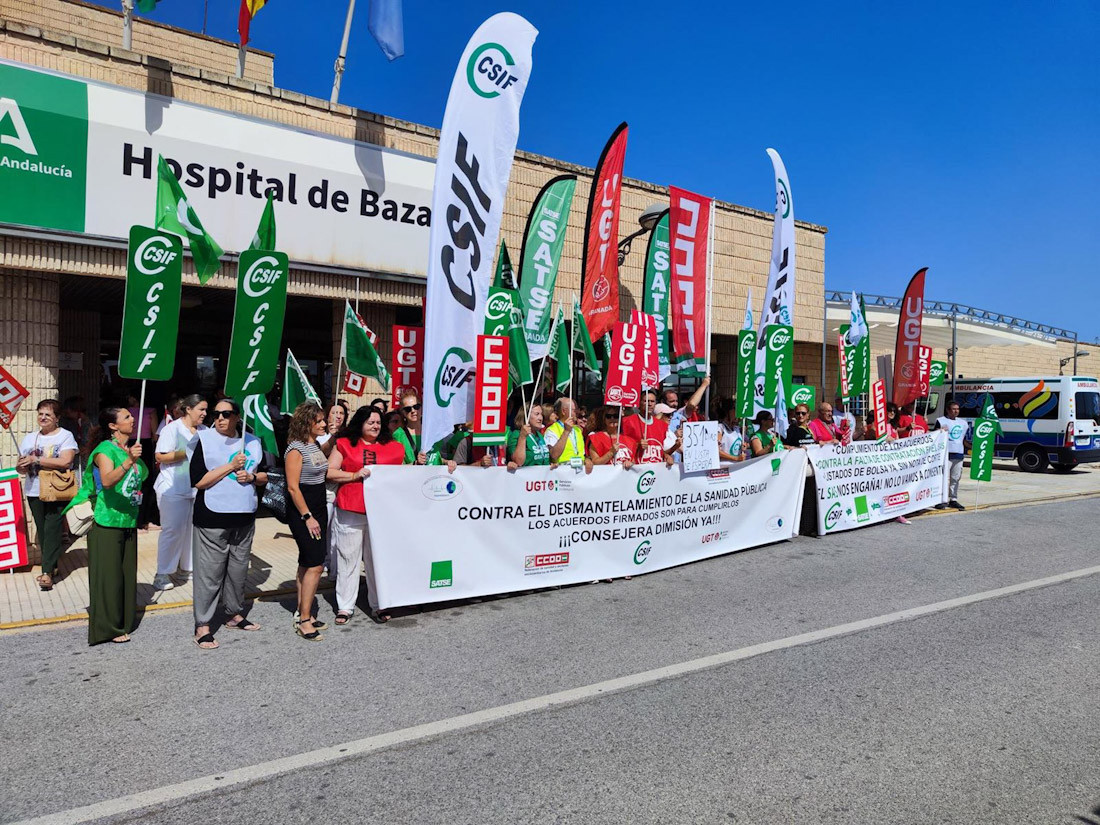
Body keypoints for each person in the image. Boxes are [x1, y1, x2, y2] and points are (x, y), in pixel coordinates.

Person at [188, 398, 268, 650]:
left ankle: (234, 613)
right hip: (212, 517)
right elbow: (198, 481)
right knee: (209, 574)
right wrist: (230, 466)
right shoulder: (205, 439)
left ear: (237, 417)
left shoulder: (253, 441)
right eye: (216, 413)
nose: (220, 418)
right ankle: (203, 624)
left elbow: (267, 474)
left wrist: (252, 476)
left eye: (226, 413)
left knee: (237, 571)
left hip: (244, 516)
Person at [64, 407, 147, 645]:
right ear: (113, 426)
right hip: (105, 519)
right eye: (127, 417)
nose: (133, 419)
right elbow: (108, 481)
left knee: (124, 573)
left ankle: (123, 619)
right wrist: (130, 461)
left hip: (127, 518)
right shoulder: (104, 450)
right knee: (108, 576)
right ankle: (107, 628)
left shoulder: (129, 449)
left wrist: (134, 459)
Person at [328, 405, 405, 623]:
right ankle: (345, 606)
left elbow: (404, 474)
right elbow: (329, 471)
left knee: (377, 560)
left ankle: (379, 604)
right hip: (350, 510)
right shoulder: (344, 444)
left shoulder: (395, 447)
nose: (375, 426)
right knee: (347, 559)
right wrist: (353, 475)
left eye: (378, 422)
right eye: (370, 422)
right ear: (360, 423)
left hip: (382, 513)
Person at [16, 399, 78, 591]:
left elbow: (66, 461)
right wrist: (22, 466)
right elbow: (21, 469)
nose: (43, 418)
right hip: (34, 490)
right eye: (40, 413)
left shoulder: (65, 436)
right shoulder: (29, 438)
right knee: (43, 531)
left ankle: (46, 572)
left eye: (48, 415)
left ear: (57, 418)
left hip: (57, 489)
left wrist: (37, 458)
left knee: (52, 528)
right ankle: (53, 566)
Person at [285, 403, 334, 640]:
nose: (324, 424)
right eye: (320, 421)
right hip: (304, 512)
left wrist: (335, 438)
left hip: (318, 508)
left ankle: (303, 612)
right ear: (307, 422)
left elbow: (321, 459)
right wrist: (307, 517)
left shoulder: (313, 445)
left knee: (307, 562)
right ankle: (305, 620)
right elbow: (293, 488)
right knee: (315, 563)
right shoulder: (294, 449)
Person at [152, 394, 207, 591]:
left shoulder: (205, 430)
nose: (205, 413)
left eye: (205, 409)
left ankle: (186, 568)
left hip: (196, 489)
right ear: (189, 409)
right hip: (172, 489)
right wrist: (187, 451)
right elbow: (160, 456)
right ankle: (162, 573)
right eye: (201, 409)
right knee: (172, 531)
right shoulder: (172, 429)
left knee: (192, 531)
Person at [127, 393, 160, 531]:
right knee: (143, 482)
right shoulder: (149, 412)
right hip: (143, 445)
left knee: (137, 481)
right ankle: (142, 520)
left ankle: (139, 519)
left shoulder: (127, 412)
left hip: (134, 444)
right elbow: (155, 433)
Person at [934, 400, 968, 511]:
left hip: (958, 454)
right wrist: (939, 431)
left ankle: (953, 499)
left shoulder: (963, 423)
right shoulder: (941, 421)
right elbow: (933, 436)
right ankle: (940, 500)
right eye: (953, 409)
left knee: (955, 478)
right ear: (948, 410)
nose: (956, 411)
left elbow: (963, 439)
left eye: (957, 409)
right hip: (945, 454)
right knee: (943, 478)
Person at [544, 398, 592, 471]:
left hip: (579, 473)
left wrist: (587, 460)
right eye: (574, 410)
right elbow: (554, 456)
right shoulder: (552, 430)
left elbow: (581, 454)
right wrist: (566, 431)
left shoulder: (578, 430)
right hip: (562, 475)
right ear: (564, 411)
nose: (577, 412)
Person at [392, 391, 423, 462]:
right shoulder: (399, 434)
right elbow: (398, 464)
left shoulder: (430, 431)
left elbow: (437, 457)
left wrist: (447, 462)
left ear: (421, 408)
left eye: (416, 407)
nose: (413, 411)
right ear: (403, 412)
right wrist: (415, 463)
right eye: (408, 409)